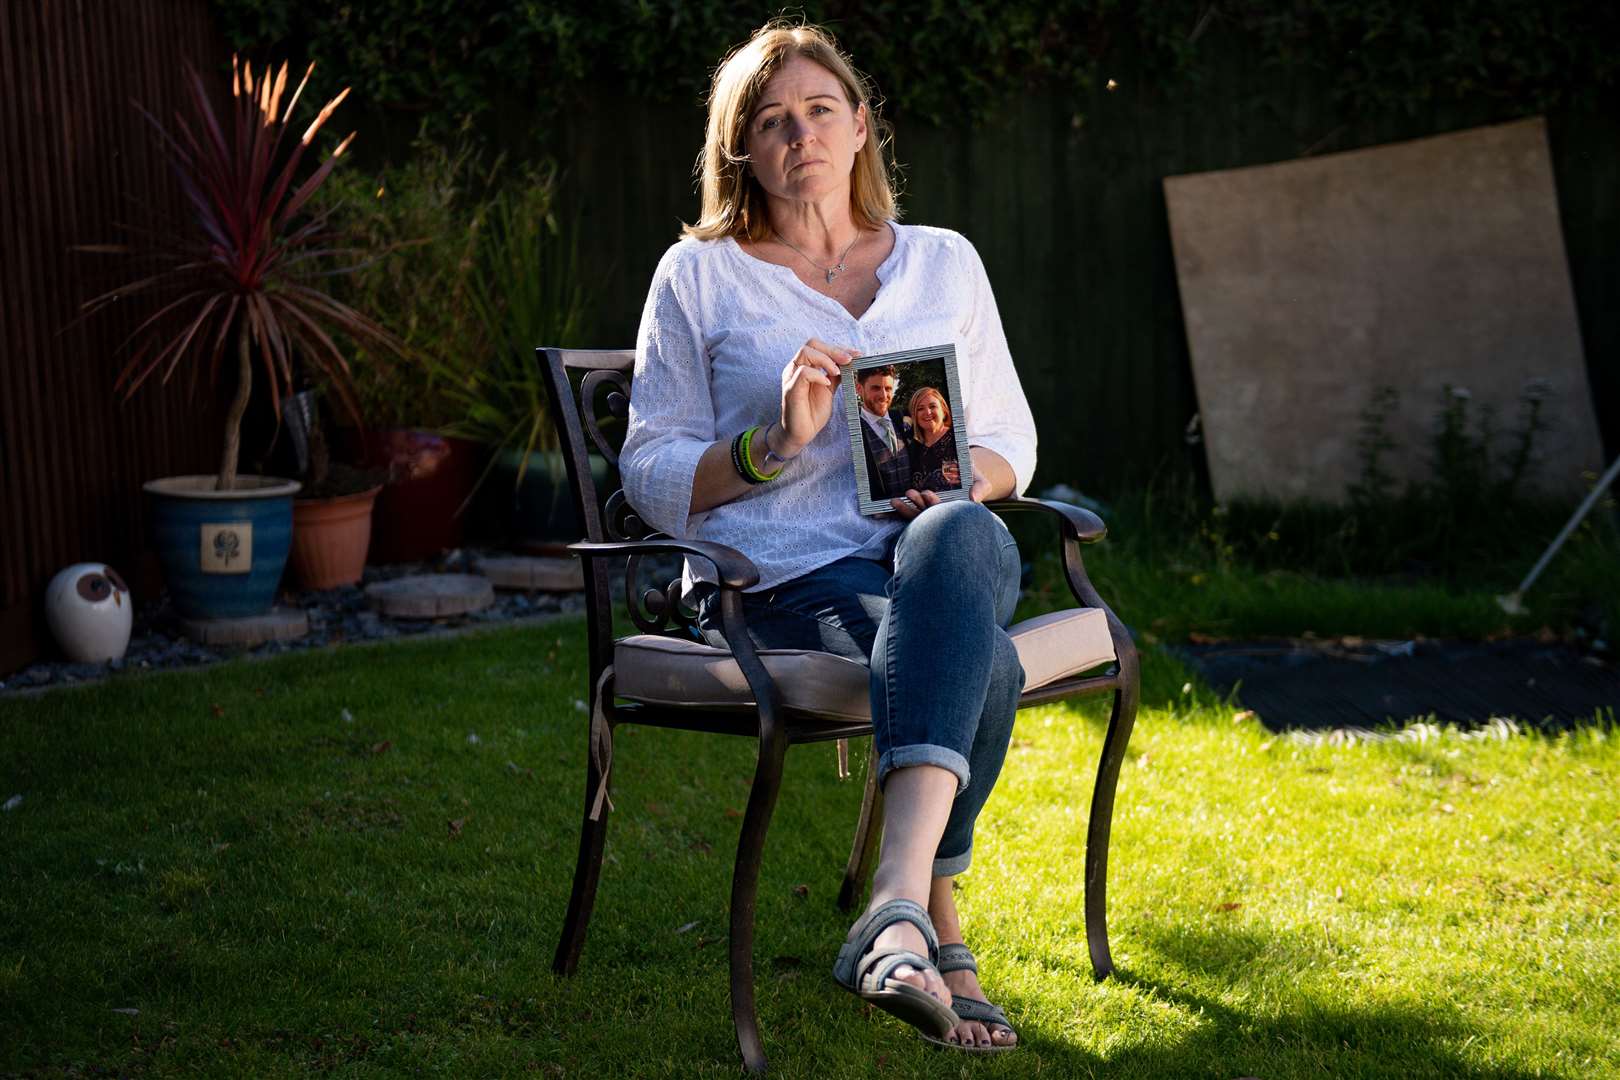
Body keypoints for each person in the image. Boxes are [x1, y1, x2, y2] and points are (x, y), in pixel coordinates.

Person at [620, 19, 1035, 1053]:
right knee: (980, 659)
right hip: (785, 578)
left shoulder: (944, 260)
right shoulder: (700, 276)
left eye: (817, 110)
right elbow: (648, 469)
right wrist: (765, 446)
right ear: (744, 154)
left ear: (859, 127)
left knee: (961, 536)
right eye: (770, 121)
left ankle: (889, 905)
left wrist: (947, 481)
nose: (798, 133)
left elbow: (1015, 438)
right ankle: (933, 925)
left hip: (928, 552)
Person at [856, 365, 912, 500]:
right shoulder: (853, 429)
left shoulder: (903, 417)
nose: (883, 395)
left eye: (888, 388)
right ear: (859, 389)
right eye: (875, 388)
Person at [904, 385, 962, 493]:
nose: (927, 412)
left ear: (944, 411)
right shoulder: (913, 449)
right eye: (920, 409)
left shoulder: (958, 439)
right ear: (914, 416)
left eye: (932, 406)